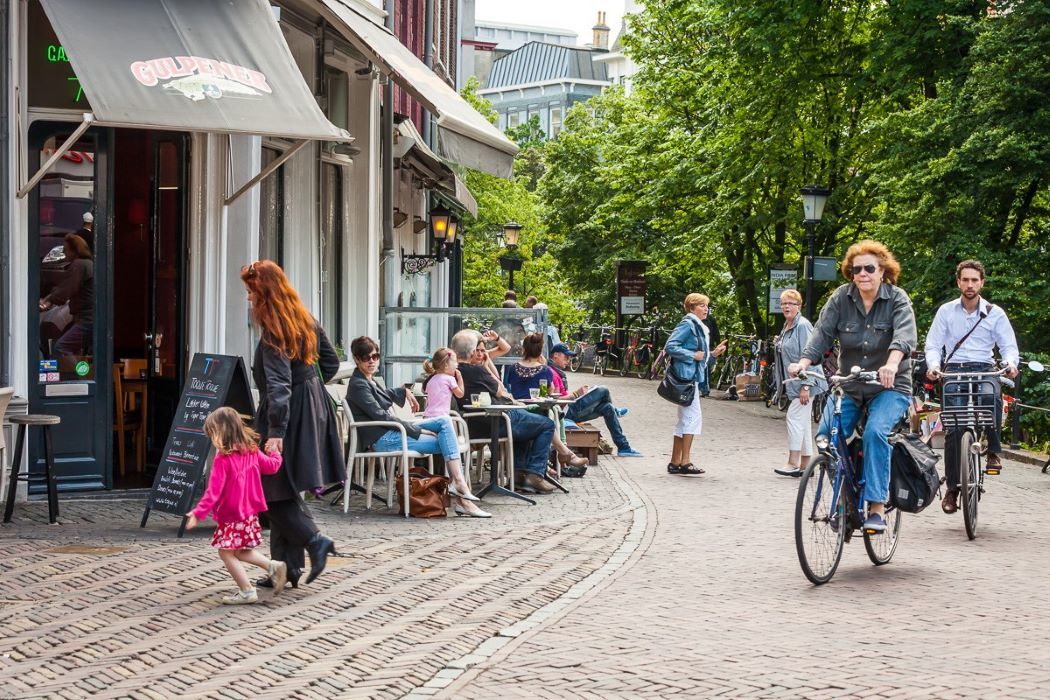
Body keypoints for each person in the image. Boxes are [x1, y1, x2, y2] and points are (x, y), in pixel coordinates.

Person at [790, 240, 917, 533]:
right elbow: (821, 334)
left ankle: (876, 507)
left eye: (869, 269)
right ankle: (846, 498)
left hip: (890, 387)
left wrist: (892, 363)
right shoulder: (841, 299)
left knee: (875, 433)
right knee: (825, 437)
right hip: (851, 386)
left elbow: (905, 337)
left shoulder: (897, 299)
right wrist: (804, 363)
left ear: (882, 271)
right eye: (855, 269)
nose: (862, 274)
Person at [241, 260, 342, 588]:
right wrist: (310, 386)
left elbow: (279, 384)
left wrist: (276, 433)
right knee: (282, 486)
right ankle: (286, 569)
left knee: (270, 489)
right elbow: (330, 361)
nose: (248, 297)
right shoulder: (304, 317)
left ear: (264, 291)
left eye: (251, 290)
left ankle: (315, 541)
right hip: (312, 407)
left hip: (288, 413)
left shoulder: (273, 327)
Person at [348, 336, 489, 517]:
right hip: (383, 439)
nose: (372, 361)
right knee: (447, 433)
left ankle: (461, 490)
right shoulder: (359, 384)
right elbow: (379, 414)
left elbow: (382, 394)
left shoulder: (367, 380)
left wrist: (404, 390)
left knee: (446, 433)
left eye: (375, 356)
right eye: (366, 358)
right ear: (357, 359)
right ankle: (462, 495)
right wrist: (412, 427)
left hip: (389, 433)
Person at [924, 259, 1018, 513]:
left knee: (991, 398)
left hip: (985, 367)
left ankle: (993, 453)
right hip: (953, 369)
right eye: (965, 279)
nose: (969, 284)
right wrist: (934, 366)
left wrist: (1010, 363)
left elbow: (1008, 345)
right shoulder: (946, 311)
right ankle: (953, 489)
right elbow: (933, 344)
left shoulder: (994, 313)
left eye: (974, 280)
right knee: (954, 428)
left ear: (982, 283)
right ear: (958, 282)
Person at [185, 407, 288, 605]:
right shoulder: (251, 450)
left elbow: (213, 492)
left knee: (225, 552)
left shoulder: (223, 458)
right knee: (240, 551)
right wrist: (275, 454)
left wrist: (198, 513)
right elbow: (271, 467)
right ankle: (273, 567)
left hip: (232, 515)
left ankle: (247, 591)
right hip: (249, 513)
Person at [450, 329, 557, 494]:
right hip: (497, 420)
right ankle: (535, 474)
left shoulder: (450, 372)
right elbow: (499, 390)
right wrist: (486, 368)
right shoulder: (476, 370)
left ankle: (518, 476)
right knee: (547, 424)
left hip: (470, 426)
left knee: (526, 428)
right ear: (471, 351)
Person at [505, 333, 589, 475]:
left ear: (524, 349)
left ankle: (551, 462)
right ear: (540, 351)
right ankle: (564, 454)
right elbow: (550, 392)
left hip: (517, 410)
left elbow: (511, 387)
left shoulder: (513, 368)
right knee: (549, 418)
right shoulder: (544, 369)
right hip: (536, 410)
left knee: (549, 417)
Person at [665, 293, 727, 475]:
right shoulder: (688, 324)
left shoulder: (698, 326)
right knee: (692, 419)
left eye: (707, 305)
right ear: (692, 308)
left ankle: (675, 461)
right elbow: (670, 346)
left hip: (692, 379)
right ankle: (685, 461)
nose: (706, 309)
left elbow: (701, 355)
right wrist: (692, 355)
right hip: (686, 379)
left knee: (685, 420)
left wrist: (713, 354)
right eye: (701, 305)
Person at [547, 344, 644, 459]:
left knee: (608, 408)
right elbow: (554, 400)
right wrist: (576, 394)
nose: (568, 360)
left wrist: (577, 394)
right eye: (566, 357)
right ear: (556, 355)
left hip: (569, 408)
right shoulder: (551, 373)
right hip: (567, 411)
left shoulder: (556, 371)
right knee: (603, 389)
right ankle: (616, 411)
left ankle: (623, 447)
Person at [772, 290, 827, 478]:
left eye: (791, 303)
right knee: (802, 421)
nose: (786, 306)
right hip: (793, 383)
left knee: (793, 418)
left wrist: (806, 386)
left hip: (805, 382)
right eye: (783, 303)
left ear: (799, 306)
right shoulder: (787, 326)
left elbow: (810, 355)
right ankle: (806, 465)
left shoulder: (803, 326)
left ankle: (792, 462)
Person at [39, 233, 94, 375]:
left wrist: (47, 300)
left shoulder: (79, 264)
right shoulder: (88, 264)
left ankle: (81, 378)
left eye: (66, 249)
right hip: (88, 319)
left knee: (60, 348)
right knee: (74, 349)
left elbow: (67, 288)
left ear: (74, 250)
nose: (63, 252)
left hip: (86, 320)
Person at [422, 347, 465, 418]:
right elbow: (460, 394)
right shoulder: (450, 379)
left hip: (428, 415)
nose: (457, 365)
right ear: (446, 365)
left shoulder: (431, 380)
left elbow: (425, 391)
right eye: (455, 362)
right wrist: (460, 377)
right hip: (442, 417)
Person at [700, 309, 721, 397]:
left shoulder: (710, 319)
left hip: (707, 345)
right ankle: (704, 389)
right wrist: (717, 343)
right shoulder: (710, 319)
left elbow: (716, 332)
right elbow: (716, 333)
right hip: (706, 345)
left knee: (705, 367)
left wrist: (718, 345)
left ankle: (704, 389)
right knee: (705, 367)